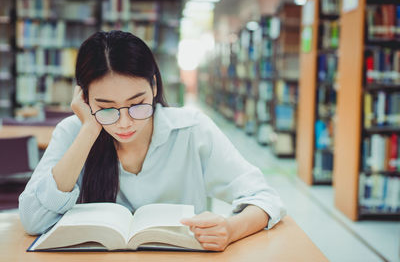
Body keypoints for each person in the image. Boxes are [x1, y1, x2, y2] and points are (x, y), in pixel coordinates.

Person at [19, 30, 286, 251]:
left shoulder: (192, 131)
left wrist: (230, 229)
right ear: (84, 99)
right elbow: (33, 220)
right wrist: (89, 130)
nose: (125, 123)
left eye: (137, 104)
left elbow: (265, 198)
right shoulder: (73, 132)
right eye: (107, 108)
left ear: (155, 88)